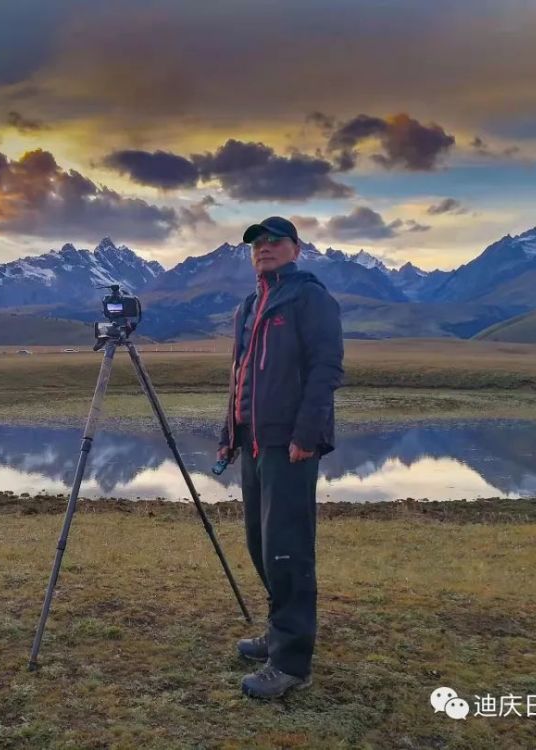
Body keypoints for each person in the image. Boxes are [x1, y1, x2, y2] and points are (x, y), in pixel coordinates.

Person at [217, 216, 344, 699]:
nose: (263, 248)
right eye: (256, 243)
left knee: (288, 549)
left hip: (290, 443)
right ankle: (278, 631)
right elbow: (240, 372)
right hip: (253, 439)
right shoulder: (249, 306)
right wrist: (228, 432)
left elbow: (327, 368)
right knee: (261, 544)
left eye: (274, 242)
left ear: (296, 248)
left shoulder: (311, 298)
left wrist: (307, 435)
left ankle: (291, 662)